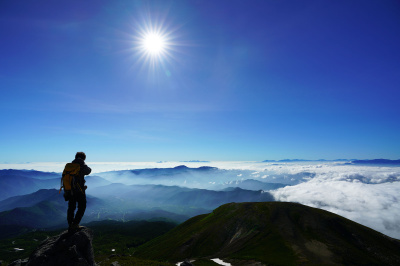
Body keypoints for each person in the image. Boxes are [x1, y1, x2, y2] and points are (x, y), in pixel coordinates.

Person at [67, 151, 91, 231]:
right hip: (79, 190)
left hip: (69, 190)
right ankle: (75, 224)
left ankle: (70, 224)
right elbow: (88, 171)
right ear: (84, 158)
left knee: (71, 207)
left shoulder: (70, 165)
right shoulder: (81, 164)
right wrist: (83, 163)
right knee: (82, 206)